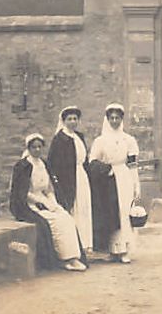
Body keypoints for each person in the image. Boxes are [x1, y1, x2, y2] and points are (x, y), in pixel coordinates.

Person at [9, 133, 87, 272]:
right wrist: (40, 202)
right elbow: (22, 192)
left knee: (66, 218)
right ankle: (63, 258)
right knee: (54, 222)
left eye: (40, 147)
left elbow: (49, 188)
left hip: (45, 200)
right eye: (34, 147)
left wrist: (53, 203)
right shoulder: (23, 166)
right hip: (30, 204)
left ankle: (73, 258)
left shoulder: (44, 164)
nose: (37, 150)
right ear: (29, 148)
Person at [88, 103, 141, 264]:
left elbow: (132, 164)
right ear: (107, 119)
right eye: (111, 118)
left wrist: (136, 184)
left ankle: (125, 250)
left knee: (124, 213)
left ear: (121, 119)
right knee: (111, 213)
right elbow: (92, 161)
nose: (114, 121)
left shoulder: (129, 140)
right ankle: (113, 250)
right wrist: (107, 169)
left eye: (117, 118)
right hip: (107, 180)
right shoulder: (100, 140)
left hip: (124, 177)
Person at [48, 106, 93, 253]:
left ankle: (86, 244)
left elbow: (84, 159)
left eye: (75, 119)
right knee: (73, 209)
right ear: (64, 121)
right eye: (69, 119)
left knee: (84, 208)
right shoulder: (59, 139)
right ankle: (74, 247)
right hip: (68, 179)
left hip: (81, 176)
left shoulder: (79, 136)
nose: (73, 122)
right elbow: (53, 164)